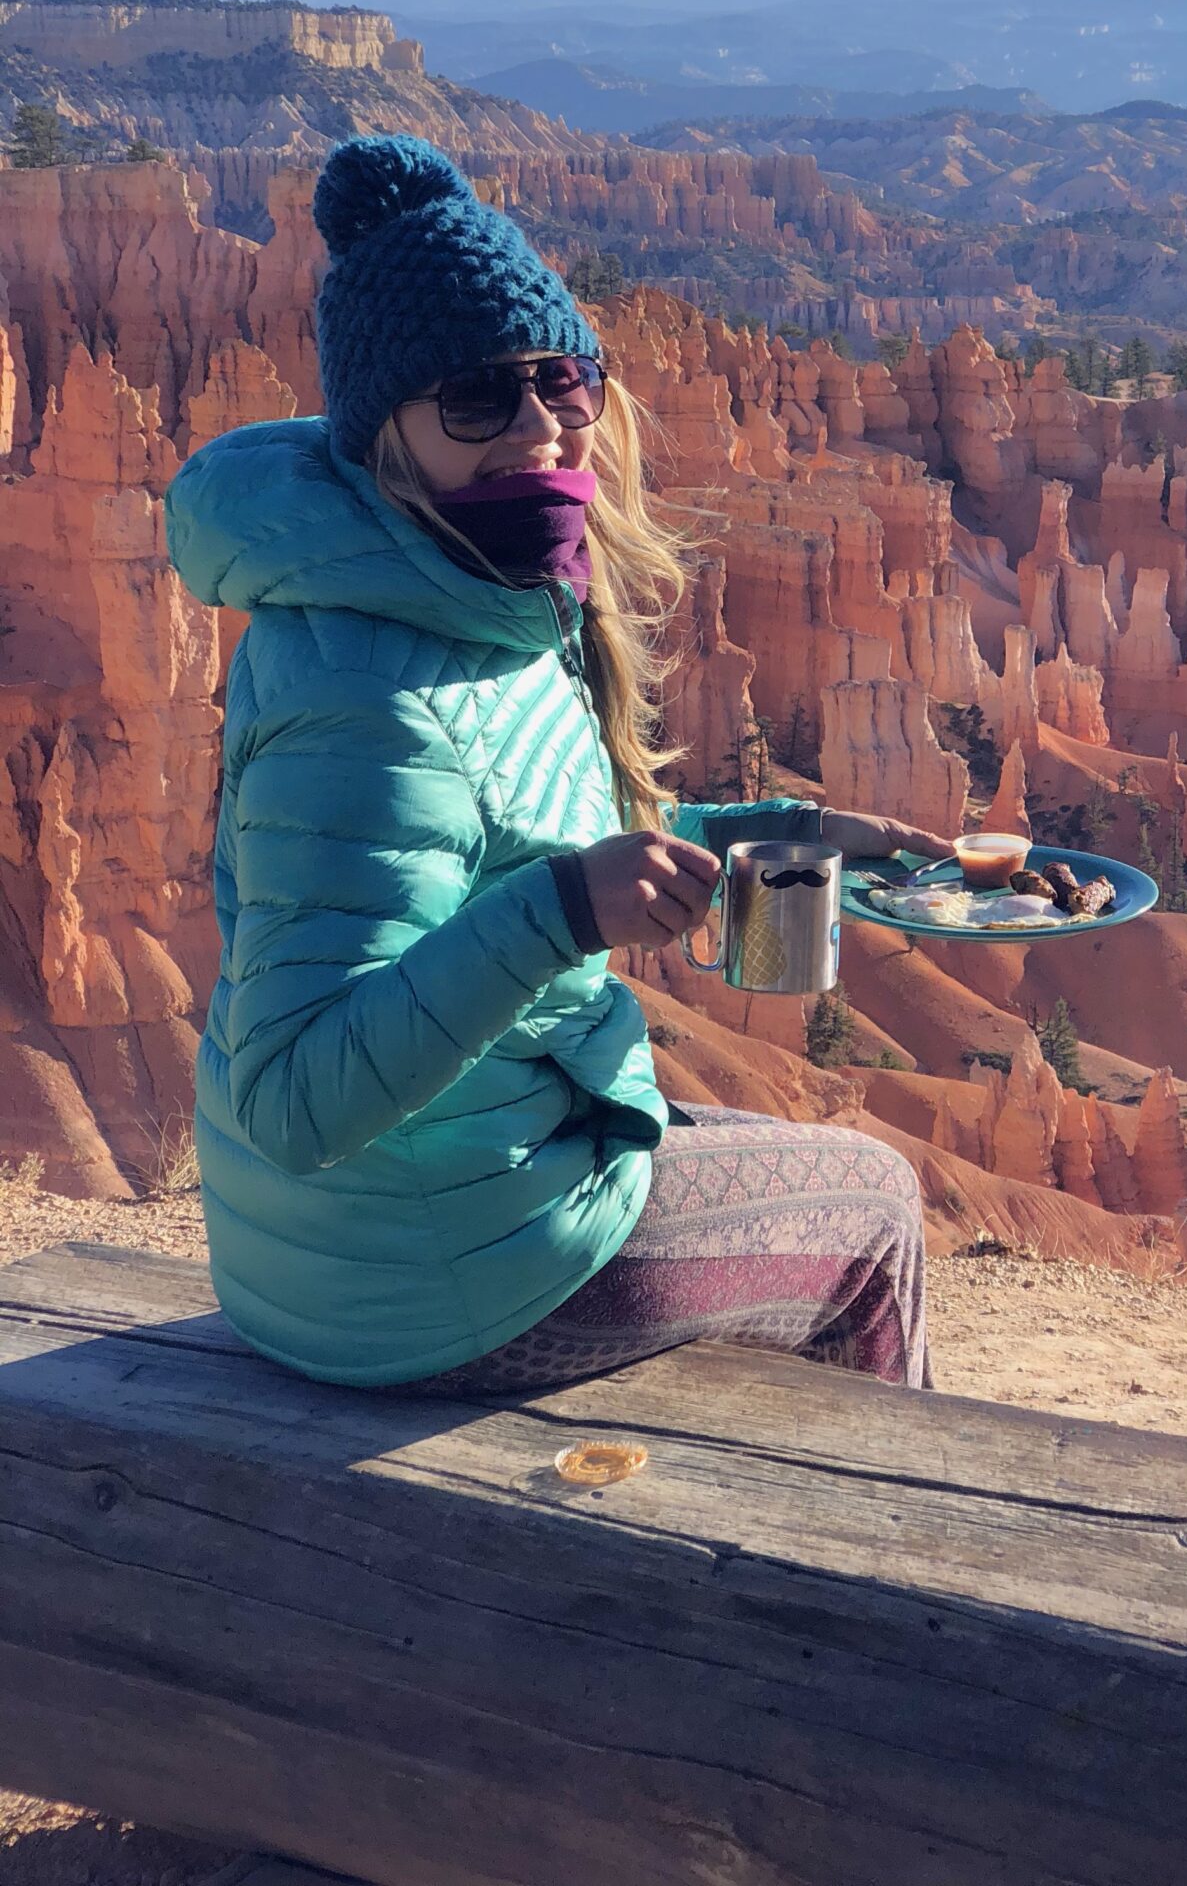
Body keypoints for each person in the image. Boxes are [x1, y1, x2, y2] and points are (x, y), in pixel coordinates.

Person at [165, 132, 949, 1395]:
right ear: (386, 435)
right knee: (874, 1207)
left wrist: (773, 830)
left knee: (776, 1156)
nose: (537, 425)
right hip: (421, 1280)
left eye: (559, 379)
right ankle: (872, 1574)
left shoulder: (467, 589)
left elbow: (505, 834)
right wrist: (564, 912)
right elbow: (297, 1097)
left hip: (397, 1231)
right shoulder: (365, 691)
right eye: (476, 398)